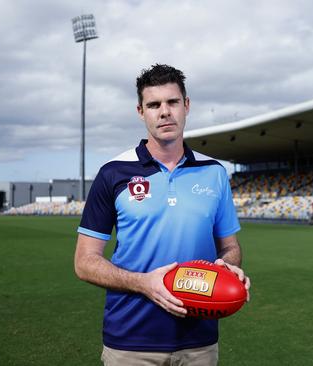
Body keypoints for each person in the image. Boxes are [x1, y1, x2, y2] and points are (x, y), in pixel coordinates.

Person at [74, 64, 250, 366]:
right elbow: (84, 262)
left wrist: (228, 268)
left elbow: (230, 247)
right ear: (141, 111)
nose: (164, 112)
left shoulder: (214, 172)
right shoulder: (113, 172)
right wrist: (143, 283)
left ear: (187, 105)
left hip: (200, 340)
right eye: (154, 105)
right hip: (130, 340)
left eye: (172, 102)